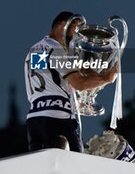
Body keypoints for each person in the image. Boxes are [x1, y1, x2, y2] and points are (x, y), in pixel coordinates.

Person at [24, 11, 118, 152]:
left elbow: (50, 77)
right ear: (63, 25)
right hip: (57, 118)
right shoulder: (56, 48)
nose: (76, 36)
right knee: (74, 166)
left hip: (35, 119)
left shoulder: (37, 48)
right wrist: (107, 78)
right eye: (75, 30)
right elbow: (79, 83)